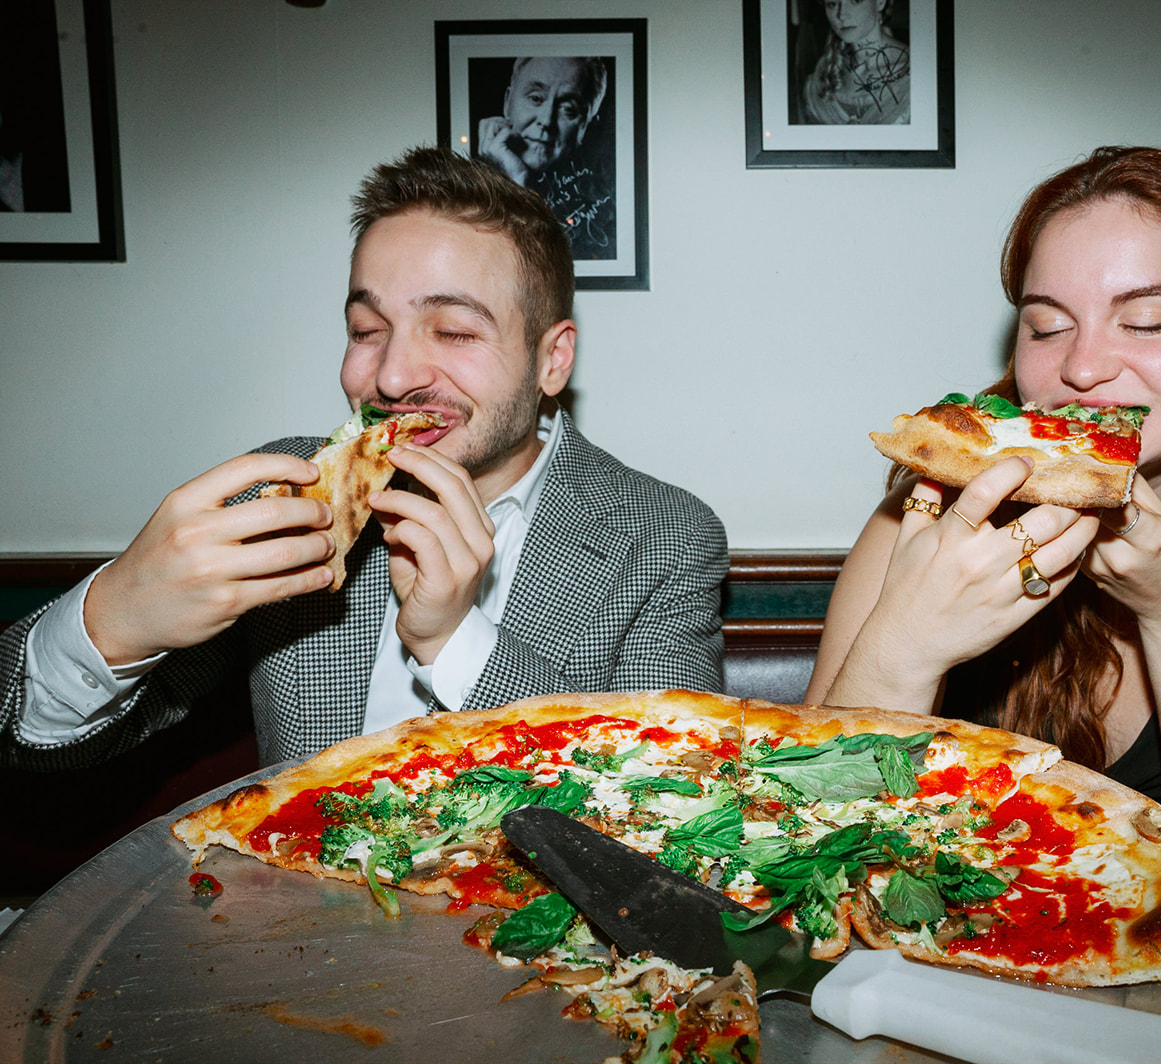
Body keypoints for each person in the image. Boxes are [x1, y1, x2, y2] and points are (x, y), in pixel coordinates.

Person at [0, 146, 726, 770]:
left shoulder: (662, 536)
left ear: (552, 359)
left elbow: (664, 788)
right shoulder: (287, 495)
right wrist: (113, 622)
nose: (391, 376)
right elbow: (44, 742)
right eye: (366, 327)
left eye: (452, 331)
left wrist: (453, 640)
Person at [806, 146, 1161, 886]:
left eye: (1143, 322)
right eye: (1046, 327)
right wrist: (906, 648)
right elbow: (811, 831)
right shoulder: (928, 513)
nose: (1081, 368)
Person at [476, 55, 616, 259]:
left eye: (568, 109)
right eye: (535, 98)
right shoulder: (466, 188)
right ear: (507, 102)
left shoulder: (602, 208)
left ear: (586, 125)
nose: (546, 120)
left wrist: (520, 183)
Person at [799, 0, 911, 125]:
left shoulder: (913, 70)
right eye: (832, 4)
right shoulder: (821, 73)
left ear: (880, 2)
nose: (842, 15)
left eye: (855, 1)